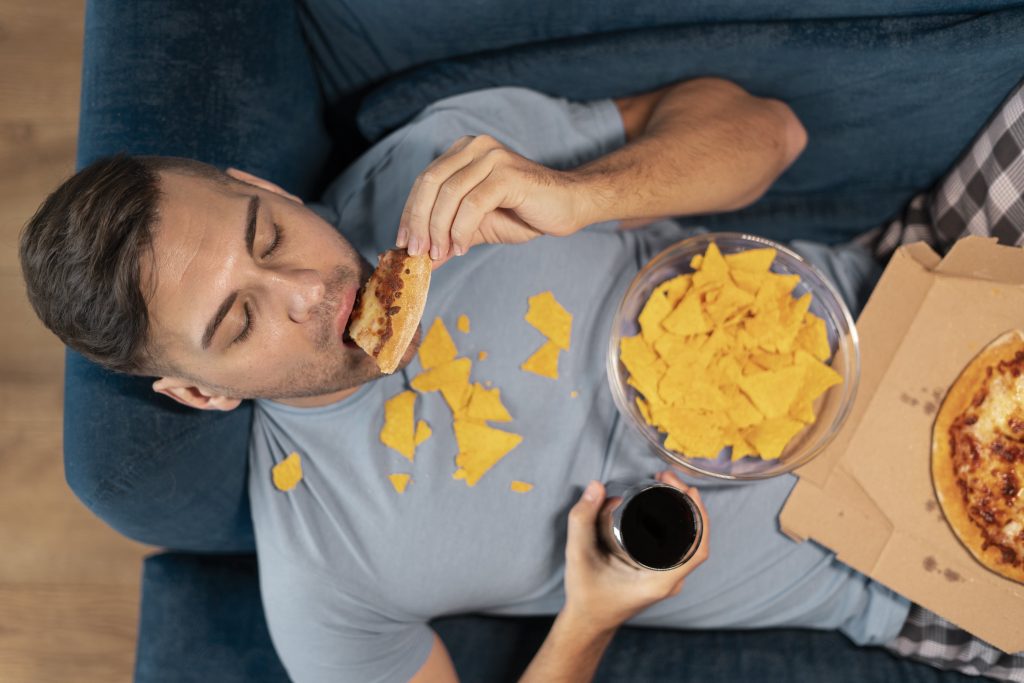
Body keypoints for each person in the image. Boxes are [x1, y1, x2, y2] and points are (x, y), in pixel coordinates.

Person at [19, 77, 1023, 682]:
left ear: (266, 189)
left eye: (268, 234)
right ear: (202, 393)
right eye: (236, 321)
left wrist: (581, 195)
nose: (308, 290)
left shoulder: (433, 164)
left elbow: (768, 131)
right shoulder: (323, 573)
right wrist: (591, 611)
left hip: (919, 288)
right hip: (915, 566)